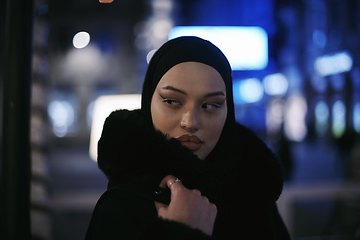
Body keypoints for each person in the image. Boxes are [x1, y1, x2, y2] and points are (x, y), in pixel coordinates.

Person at [85, 36, 290, 239]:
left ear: (228, 111)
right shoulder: (122, 207)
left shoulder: (254, 195)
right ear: (149, 102)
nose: (190, 122)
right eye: (172, 101)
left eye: (210, 105)